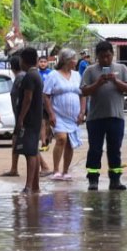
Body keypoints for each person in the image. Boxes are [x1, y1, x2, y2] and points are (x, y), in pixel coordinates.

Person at [79, 40, 127, 191]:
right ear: (97, 56)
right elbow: (83, 91)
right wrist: (98, 83)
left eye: (108, 56)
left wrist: (115, 81)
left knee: (114, 149)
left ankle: (115, 180)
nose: (105, 60)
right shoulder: (90, 70)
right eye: (102, 57)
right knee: (95, 149)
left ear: (112, 55)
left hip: (116, 117)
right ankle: (93, 180)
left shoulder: (121, 68)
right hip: (95, 118)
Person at [44, 48, 82, 183]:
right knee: (61, 138)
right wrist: (50, 114)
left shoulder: (77, 75)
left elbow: (83, 94)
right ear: (66, 60)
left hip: (73, 116)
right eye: (74, 59)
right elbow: (46, 95)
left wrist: (82, 112)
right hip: (58, 114)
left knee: (70, 143)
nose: (76, 62)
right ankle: (56, 170)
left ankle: (65, 171)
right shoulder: (53, 75)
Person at [13, 47, 45, 193]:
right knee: (34, 151)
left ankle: (29, 186)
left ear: (23, 61)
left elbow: (28, 98)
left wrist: (21, 118)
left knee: (30, 152)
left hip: (30, 119)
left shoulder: (30, 76)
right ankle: (35, 186)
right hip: (35, 118)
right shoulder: (36, 75)